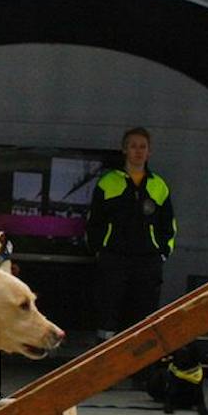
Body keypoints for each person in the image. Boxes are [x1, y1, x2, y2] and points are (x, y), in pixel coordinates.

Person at [86, 127, 176, 344]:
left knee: (144, 314)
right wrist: (99, 251)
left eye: (143, 147)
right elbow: (94, 221)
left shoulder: (158, 185)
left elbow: (169, 224)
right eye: (133, 146)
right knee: (108, 311)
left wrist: (162, 252)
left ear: (149, 152)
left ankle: (142, 371)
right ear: (124, 150)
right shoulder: (108, 183)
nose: (138, 151)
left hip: (148, 261)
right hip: (114, 259)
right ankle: (104, 364)